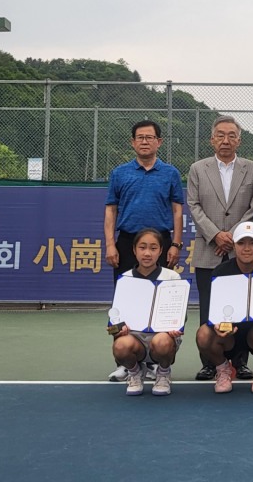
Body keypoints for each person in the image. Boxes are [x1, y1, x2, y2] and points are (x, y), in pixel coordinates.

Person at [104, 120, 184, 383]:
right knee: (124, 304)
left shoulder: (170, 173)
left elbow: (177, 210)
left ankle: (155, 362)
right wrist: (110, 244)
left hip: (161, 240)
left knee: (160, 300)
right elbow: (111, 210)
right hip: (127, 242)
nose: (145, 141)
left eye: (150, 137)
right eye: (140, 137)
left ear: (159, 142)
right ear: (133, 142)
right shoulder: (119, 173)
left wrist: (175, 244)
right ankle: (127, 364)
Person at [188, 115, 253, 382]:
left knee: (241, 308)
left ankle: (240, 362)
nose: (226, 140)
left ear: (239, 140)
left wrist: (232, 236)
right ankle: (210, 362)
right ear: (212, 139)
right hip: (209, 250)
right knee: (209, 308)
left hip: (242, 253)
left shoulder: (252, 169)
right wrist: (215, 235)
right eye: (220, 135)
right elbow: (194, 205)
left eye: (231, 135)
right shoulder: (198, 169)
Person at [195, 221, 253, 394]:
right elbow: (211, 311)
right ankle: (222, 370)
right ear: (233, 246)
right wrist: (215, 325)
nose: (247, 248)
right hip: (228, 335)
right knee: (203, 334)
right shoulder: (220, 272)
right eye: (241, 243)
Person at [108, 228, 183, 396]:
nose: (147, 253)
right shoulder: (125, 279)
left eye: (153, 248)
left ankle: (163, 374)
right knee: (120, 345)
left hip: (162, 339)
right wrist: (118, 330)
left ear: (161, 251)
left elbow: (180, 317)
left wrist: (175, 327)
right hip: (136, 341)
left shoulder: (172, 278)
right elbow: (112, 326)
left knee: (163, 342)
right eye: (142, 247)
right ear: (134, 250)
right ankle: (135, 373)